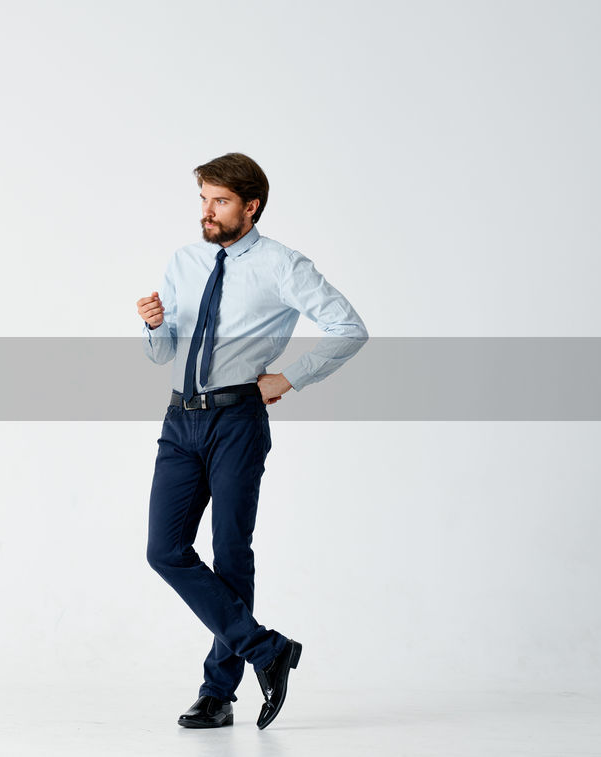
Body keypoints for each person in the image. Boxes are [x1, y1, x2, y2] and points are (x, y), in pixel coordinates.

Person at [137, 153, 368, 729]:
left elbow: (350, 328)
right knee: (164, 551)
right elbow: (162, 354)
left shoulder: (282, 265)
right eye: (202, 200)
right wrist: (153, 325)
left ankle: (218, 694)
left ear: (250, 206)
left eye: (219, 201)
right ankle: (267, 650)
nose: (207, 212)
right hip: (179, 421)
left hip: (238, 419)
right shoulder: (185, 261)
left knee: (230, 553)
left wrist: (291, 376)